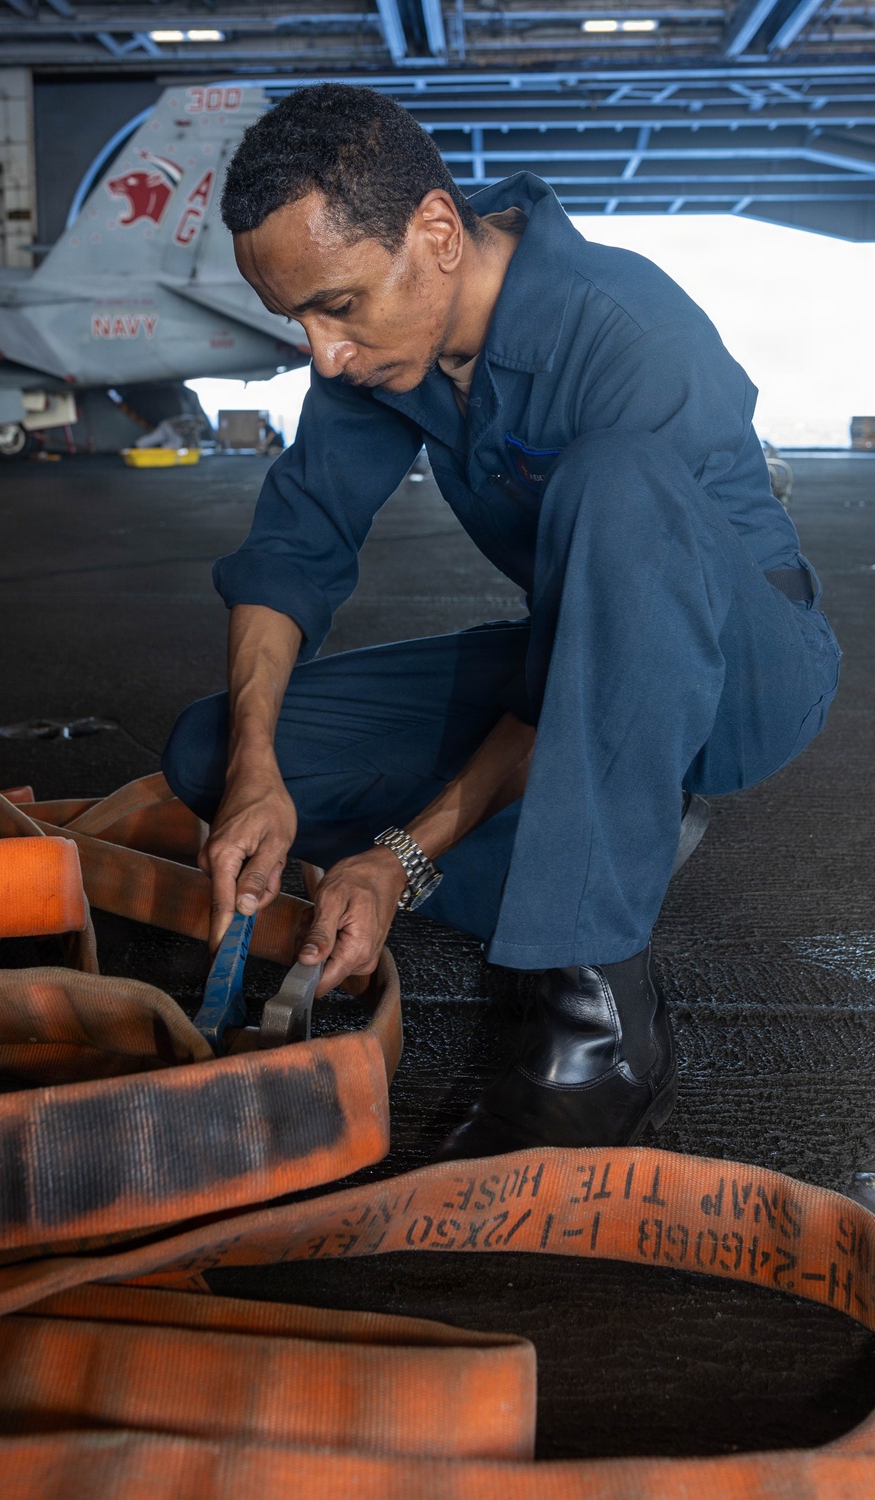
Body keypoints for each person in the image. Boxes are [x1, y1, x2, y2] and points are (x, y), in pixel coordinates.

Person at [162, 83, 841, 1160]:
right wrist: (254, 771)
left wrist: (399, 858)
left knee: (616, 482)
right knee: (209, 747)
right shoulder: (386, 343)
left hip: (742, 677)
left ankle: (598, 1032)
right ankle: (583, 838)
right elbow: (295, 546)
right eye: (298, 322)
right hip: (567, 659)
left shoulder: (630, 330)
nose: (323, 354)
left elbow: (612, 635)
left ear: (437, 232)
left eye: (337, 307)